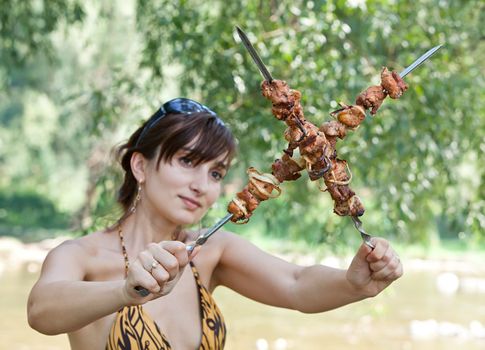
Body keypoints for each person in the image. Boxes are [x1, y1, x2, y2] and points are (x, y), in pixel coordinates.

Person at [27, 97, 403, 350]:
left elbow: (297, 283)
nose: (202, 186)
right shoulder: (83, 257)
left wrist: (353, 283)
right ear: (140, 166)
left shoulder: (210, 253)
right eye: (188, 162)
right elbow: (40, 312)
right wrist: (125, 292)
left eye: (216, 172)